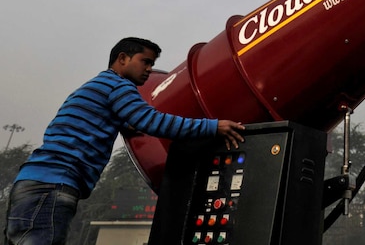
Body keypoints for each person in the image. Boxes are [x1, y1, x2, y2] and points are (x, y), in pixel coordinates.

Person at [4, 37, 245, 245]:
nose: (149, 69)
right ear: (122, 58)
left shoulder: (94, 86)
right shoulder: (118, 86)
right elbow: (152, 122)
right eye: (145, 61)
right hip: (53, 185)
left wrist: (129, 125)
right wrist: (213, 126)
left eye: (152, 64)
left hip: (33, 184)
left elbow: (118, 121)